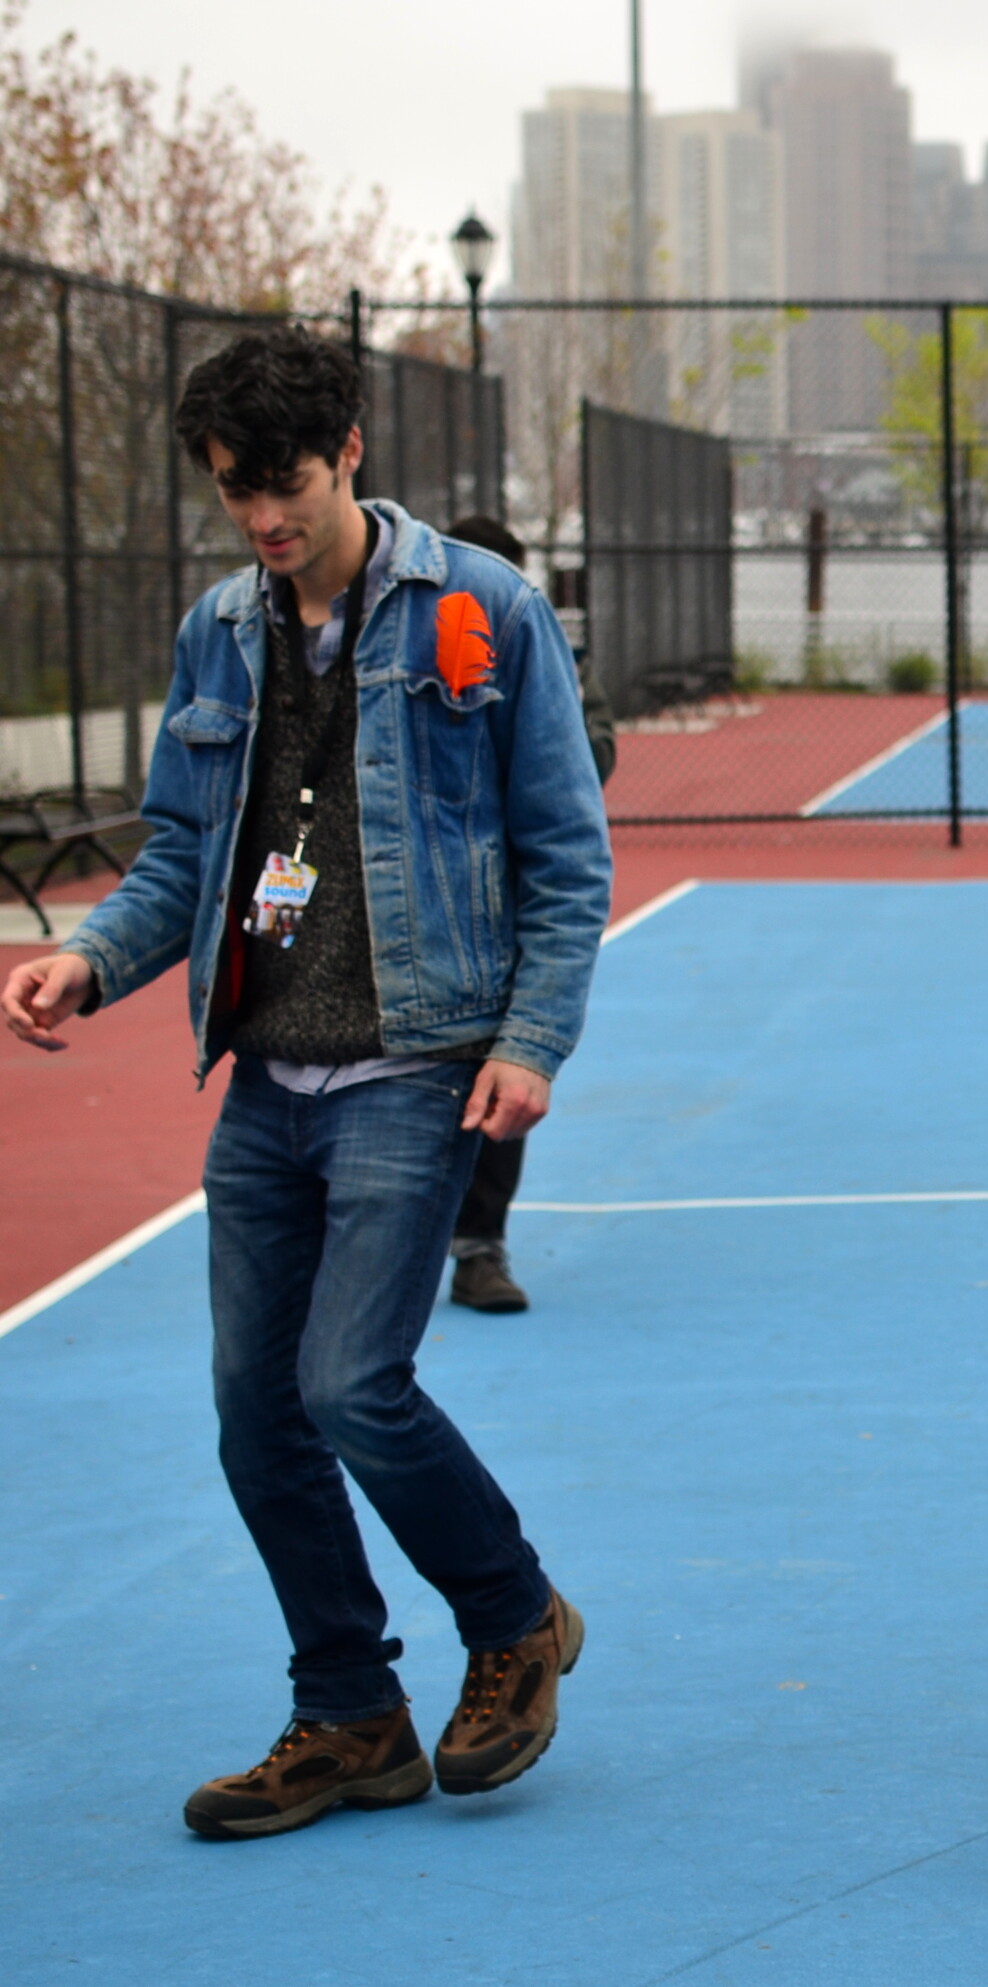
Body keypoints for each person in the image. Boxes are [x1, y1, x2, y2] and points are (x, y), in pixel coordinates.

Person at [1, 327, 611, 1839]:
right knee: (254, 1414)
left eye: (286, 483)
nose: (264, 518)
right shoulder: (220, 632)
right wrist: (89, 957)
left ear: (349, 449)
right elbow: (181, 851)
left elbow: (565, 849)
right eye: (235, 491)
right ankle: (349, 1710)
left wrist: (530, 1041)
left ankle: (513, 1614)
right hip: (267, 1078)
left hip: (414, 1061)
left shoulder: (483, 608)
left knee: (351, 1384)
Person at [436, 514, 617, 1313]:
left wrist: (538, 739)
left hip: (503, 908)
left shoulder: (548, 652)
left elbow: (593, 757)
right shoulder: (410, 641)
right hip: (422, 908)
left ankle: (479, 1246)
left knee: (500, 1074)